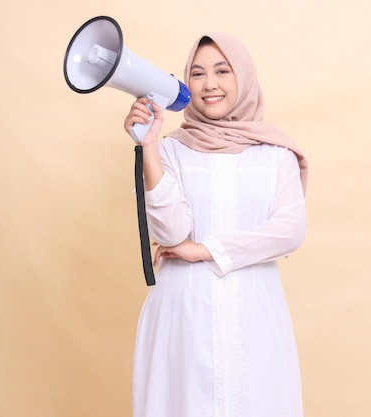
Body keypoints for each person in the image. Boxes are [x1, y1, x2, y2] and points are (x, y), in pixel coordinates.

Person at [123, 32, 308, 417]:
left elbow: (289, 229)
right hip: (182, 315)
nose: (210, 84)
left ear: (243, 77)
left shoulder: (276, 155)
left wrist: (202, 249)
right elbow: (170, 232)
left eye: (222, 71)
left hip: (253, 314)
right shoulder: (171, 148)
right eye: (198, 73)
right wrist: (150, 146)